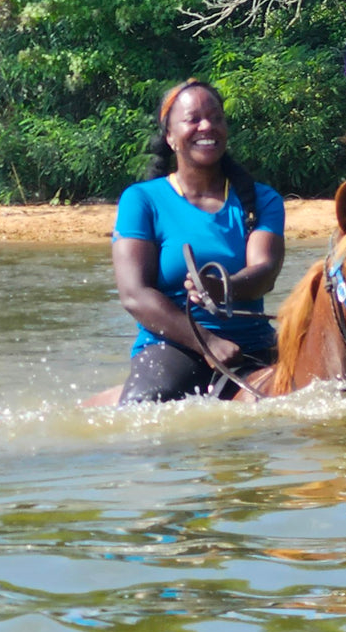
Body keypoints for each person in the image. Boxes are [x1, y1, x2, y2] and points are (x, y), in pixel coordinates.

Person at [111, 79, 285, 403]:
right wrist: (207, 341)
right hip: (173, 346)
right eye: (193, 119)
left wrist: (225, 288)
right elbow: (134, 295)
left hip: (253, 345)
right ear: (170, 136)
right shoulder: (142, 201)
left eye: (216, 117)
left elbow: (266, 270)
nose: (207, 126)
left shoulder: (262, 200)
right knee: (142, 412)